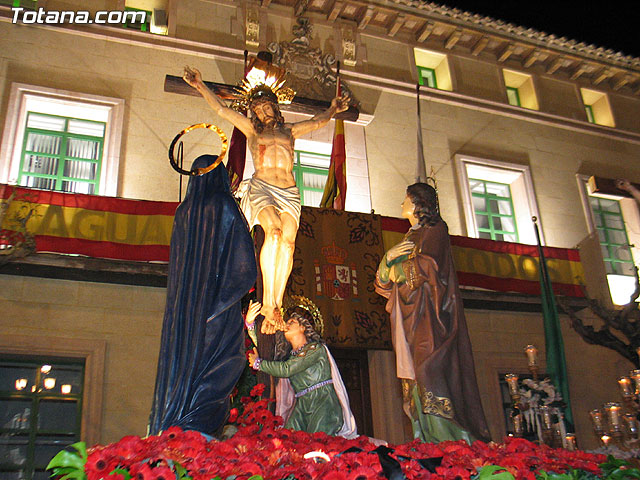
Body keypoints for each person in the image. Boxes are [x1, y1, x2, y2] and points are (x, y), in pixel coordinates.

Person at [183, 60, 349, 333]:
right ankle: (267, 301)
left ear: (275, 107)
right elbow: (221, 109)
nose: (261, 113)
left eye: (265, 107)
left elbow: (318, 121)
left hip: (289, 192)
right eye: (257, 110)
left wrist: (333, 108)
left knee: (288, 243)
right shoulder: (251, 130)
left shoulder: (290, 131)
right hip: (262, 188)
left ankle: (277, 302)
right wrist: (200, 84)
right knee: (272, 234)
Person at [148, 155, 257, 437]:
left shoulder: (183, 212)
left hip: (184, 314)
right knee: (225, 362)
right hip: (218, 310)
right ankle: (199, 428)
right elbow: (244, 267)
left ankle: (176, 421)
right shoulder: (224, 206)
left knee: (185, 365)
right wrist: (227, 298)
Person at [375, 182, 490, 443]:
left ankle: (450, 439)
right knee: (413, 378)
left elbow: (430, 263)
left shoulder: (435, 229)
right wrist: (387, 261)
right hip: (408, 318)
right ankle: (424, 436)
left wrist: (397, 271)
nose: (402, 205)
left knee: (429, 372)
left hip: (431, 315)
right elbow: (383, 285)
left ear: (417, 204)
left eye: (406, 200)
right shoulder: (407, 238)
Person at [246, 300, 357, 437]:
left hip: (322, 402)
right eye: (286, 323)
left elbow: (287, 369)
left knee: (318, 442)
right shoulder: (290, 356)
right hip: (302, 404)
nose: (287, 325)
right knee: (288, 439)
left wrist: (259, 364)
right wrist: (250, 324)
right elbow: (265, 351)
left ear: (303, 328)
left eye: (292, 322)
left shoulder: (315, 349)